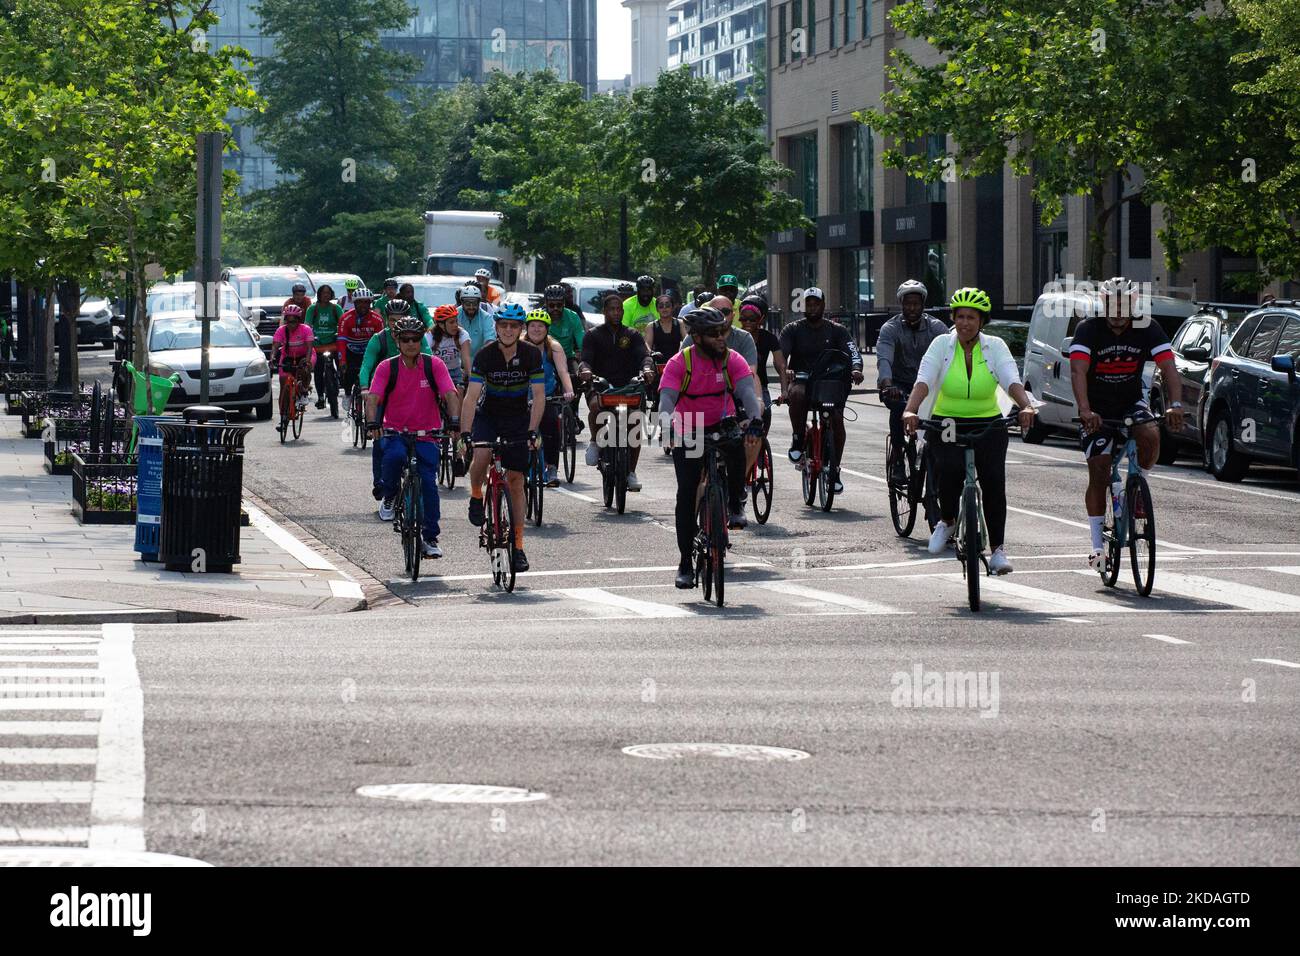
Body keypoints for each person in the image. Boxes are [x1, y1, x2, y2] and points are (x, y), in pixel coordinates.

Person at [902, 287, 1038, 574]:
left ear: (982, 321)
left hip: (988, 421)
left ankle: (998, 550)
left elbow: (1011, 379)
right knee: (948, 470)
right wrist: (911, 410)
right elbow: (924, 380)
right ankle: (948, 521)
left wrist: (1025, 406)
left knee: (993, 481)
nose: (965, 322)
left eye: (972, 317)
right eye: (960, 316)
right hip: (947, 420)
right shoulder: (941, 344)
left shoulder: (996, 347)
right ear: (953, 318)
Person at [1069, 276, 1183, 571]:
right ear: (1103, 304)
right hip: (1097, 409)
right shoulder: (1088, 329)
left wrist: (1175, 405)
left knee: (1150, 433)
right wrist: (1084, 409)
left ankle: (1139, 484)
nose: (1118, 312)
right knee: (1100, 469)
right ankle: (1097, 547)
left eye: (1124, 305)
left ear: (1133, 304)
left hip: (1131, 402)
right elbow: (1078, 371)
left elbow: (1168, 366)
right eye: (1112, 305)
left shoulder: (1148, 327)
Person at [658, 306, 764, 588]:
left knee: (738, 445)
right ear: (696, 337)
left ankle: (735, 501)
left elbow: (747, 394)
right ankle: (684, 563)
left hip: (722, 420)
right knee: (687, 492)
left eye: (724, 332)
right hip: (688, 425)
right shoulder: (680, 363)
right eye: (714, 334)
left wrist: (755, 420)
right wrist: (667, 425)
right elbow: (666, 401)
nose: (721, 338)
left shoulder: (732, 359)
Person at [365, 315, 461, 560]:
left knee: (429, 484)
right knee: (393, 458)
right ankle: (390, 495)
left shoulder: (433, 365)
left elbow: (450, 394)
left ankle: (430, 537)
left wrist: (454, 421)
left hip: (427, 435)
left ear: (421, 340)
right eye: (405, 339)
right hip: (395, 431)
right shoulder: (387, 367)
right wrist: (373, 422)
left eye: (415, 339)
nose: (410, 344)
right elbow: (373, 398)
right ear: (397, 340)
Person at [461, 303, 545, 573]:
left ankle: (518, 546)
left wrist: (533, 431)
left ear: (521, 329)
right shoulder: (485, 355)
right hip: (489, 415)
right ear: (496, 327)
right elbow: (472, 397)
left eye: (514, 326)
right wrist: (465, 433)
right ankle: (476, 495)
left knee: (517, 481)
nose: (508, 330)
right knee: (483, 455)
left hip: (518, 418)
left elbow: (539, 396)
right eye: (503, 325)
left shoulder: (531, 354)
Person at [779, 286, 863, 492]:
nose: (813, 307)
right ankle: (798, 438)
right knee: (797, 394)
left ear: (824, 305)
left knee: (836, 419)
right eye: (809, 303)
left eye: (817, 303)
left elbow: (853, 352)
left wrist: (856, 369)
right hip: (802, 379)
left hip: (829, 382)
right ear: (803, 306)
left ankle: (834, 470)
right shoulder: (792, 329)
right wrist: (787, 370)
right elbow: (781, 357)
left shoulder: (837, 330)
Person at [578, 291, 656, 491]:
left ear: (623, 311)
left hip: (630, 386)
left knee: (636, 423)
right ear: (604, 311)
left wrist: (647, 368)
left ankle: (630, 472)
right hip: (600, 385)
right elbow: (585, 359)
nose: (615, 313)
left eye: (619, 309)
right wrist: (585, 370)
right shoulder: (593, 335)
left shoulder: (632, 334)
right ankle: (595, 442)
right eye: (611, 309)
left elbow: (644, 356)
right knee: (595, 406)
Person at [360, 298, 433, 500]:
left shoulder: (417, 338)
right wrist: (365, 388)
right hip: (384, 393)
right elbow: (366, 365)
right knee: (379, 438)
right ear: (386, 319)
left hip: (411, 393)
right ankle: (380, 482)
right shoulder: (379, 339)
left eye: (400, 319)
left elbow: (429, 361)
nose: (396, 324)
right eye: (392, 320)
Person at [878, 279, 950, 483]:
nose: (912, 308)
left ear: (923, 304)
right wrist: (887, 383)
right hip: (898, 384)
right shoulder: (889, 328)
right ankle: (899, 457)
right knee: (899, 410)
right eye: (907, 303)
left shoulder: (937, 328)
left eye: (916, 303)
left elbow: (950, 355)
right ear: (901, 304)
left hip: (930, 386)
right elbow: (884, 358)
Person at [524, 308, 576, 486]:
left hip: (547, 396)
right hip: (523, 395)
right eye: (533, 326)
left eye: (540, 326)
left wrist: (568, 390)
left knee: (551, 424)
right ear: (527, 327)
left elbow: (563, 371)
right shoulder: (519, 345)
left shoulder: (553, 346)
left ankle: (552, 467)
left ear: (547, 329)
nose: (536, 329)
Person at [737, 293, 787, 431]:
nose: (747, 323)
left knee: (766, 414)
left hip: (761, 387)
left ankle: (761, 444)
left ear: (761, 319)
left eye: (752, 319)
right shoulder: (735, 336)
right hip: (737, 386)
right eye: (743, 319)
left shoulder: (769, 338)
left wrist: (784, 391)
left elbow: (780, 364)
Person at [270, 303, 314, 431]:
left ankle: (304, 390)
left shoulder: (305, 329)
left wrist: (307, 361)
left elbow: (310, 348)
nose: (291, 324)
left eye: (294, 321)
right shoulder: (281, 330)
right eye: (288, 321)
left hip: (304, 354)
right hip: (288, 356)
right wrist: (272, 358)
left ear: (298, 321)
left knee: (306, 368)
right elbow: (275, 347)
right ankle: (283, 419)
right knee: (284, 385)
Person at [337, 287, 384, 399]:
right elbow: (341, 340)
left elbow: (382, 342)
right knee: (348, 374)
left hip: (369, 352)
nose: (363, 305)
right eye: (359, 302)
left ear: (370, 303)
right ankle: (348, 394)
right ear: (354, 303)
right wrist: (342, 360)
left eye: (366, 302)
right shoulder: (345, 318)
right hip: (351, 351)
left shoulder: (377, 319)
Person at [305, 283, 344, 413]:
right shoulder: (312, 309)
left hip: (333, 343)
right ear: (319, 295)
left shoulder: (336, 308)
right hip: (318, 345)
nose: (326, 295)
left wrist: (340, 334)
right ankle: (321, 396)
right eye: (323, 293)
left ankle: (340, 379)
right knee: (318, 370)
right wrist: (310, 336)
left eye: (328, 293)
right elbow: (307, 326)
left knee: (341, 362)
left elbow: (343, 323)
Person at [430, 303, 472, 393]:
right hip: (436, 372)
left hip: (455, 371)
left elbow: (466, 358)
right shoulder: (429, 336)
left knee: (460, 390)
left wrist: (472, 377)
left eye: (456, 321)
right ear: (441, 324)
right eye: (451, 322)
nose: (456, 325)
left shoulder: (462, 334)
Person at [542, 284, 586, 366]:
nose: (555, 309)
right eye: (551, 305)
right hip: (545, 358)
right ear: (546, 304)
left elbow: (582, 343)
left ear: (564, 303)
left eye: (559, 305)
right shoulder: (539, 317)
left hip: (568, 358)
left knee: (578, 375)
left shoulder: (573, 317)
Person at [458, 284, 496, 355]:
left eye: (474, 303)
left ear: (479, 303)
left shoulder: (486, 317)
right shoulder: (455, 315)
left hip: (479, 361)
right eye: (468, 304)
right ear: (462, 303)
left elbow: (490, 340)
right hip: (458, 362)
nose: (471, 307)